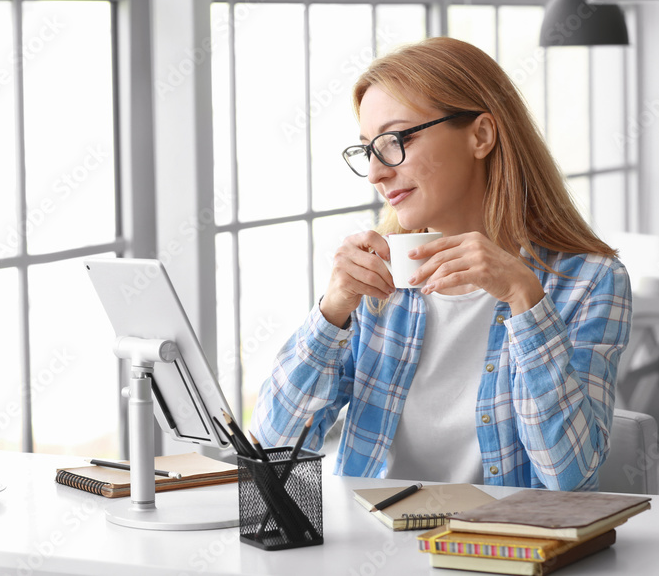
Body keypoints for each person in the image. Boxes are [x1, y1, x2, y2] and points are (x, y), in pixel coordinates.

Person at [250, 36, 632, 491]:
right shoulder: (378, 278)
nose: (375, 172)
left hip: (499, 551)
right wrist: (330, 314)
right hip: (371, 548)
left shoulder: (590, 282)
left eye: (394, 141)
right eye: (367, 149)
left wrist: (525, 301)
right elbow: (272, 447)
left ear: (480, 135)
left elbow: (569, 477)